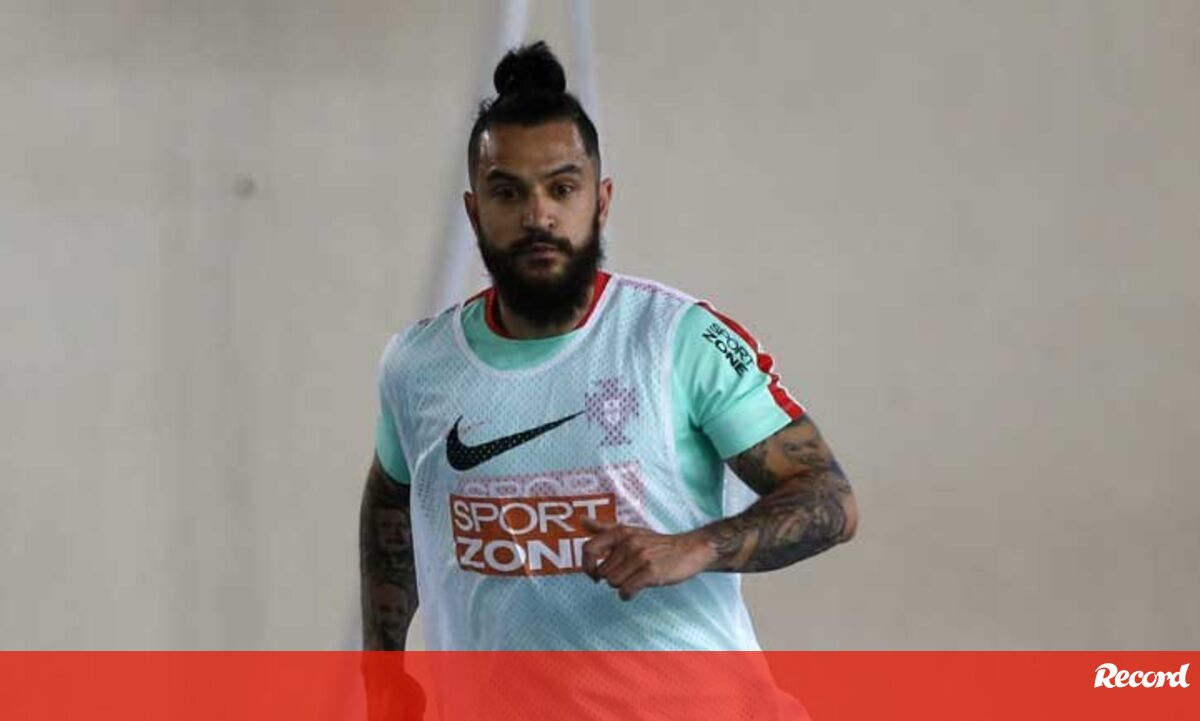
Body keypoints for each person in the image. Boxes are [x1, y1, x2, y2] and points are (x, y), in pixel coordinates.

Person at [359, 41, 858, 715]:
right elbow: (392, 500)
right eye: (508, 192)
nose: (538, 216)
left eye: (562, 189)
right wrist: (382, 666)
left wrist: (693, 548)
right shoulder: (418, 365)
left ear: (601, 201)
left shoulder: (679, 340)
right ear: (476, 213)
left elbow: (829, 498)